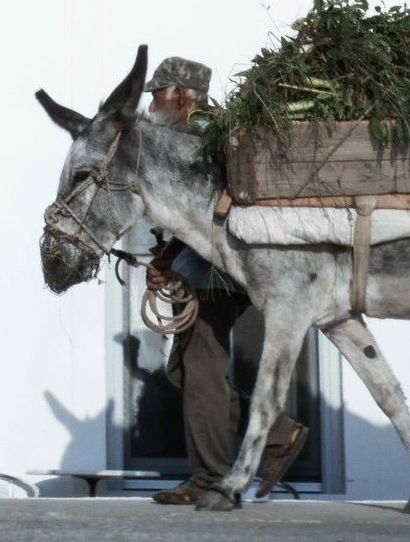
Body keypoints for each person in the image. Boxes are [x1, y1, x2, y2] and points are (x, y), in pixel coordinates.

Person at [141, 57, 309, 505]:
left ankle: (210, 478)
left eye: (157, 93)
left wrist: (170, 258)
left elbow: (203, 209)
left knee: (200, 371)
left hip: (217, 268)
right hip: (207, 265)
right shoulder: (201, 132)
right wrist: (168, 256)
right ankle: (277, 432)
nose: (152, 102)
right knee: (184, 371)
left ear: (181, 94)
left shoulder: (202, 135)